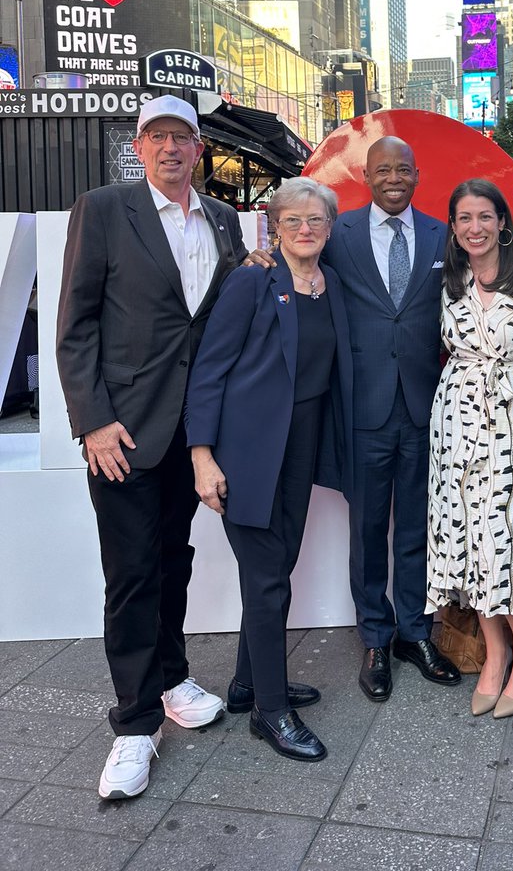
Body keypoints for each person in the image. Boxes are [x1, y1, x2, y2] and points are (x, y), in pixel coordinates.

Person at [56, 95, 249, 800]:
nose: (170, 147)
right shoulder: (104, 210)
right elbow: (75, 323)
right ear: (138, 147)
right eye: (157, 136)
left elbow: (219, 316)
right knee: (133, 573)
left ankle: (170, 678)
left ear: (199, 149)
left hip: (191, 432)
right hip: (125, 432)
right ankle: (135, 724)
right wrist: (93, 421)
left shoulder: (223, 219)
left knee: (173, 560)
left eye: (183, 137)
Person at [186, 178, 353, 762]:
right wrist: (202, 456)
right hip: (247, 452)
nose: (305, 229)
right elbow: (209, 369)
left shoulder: (330, 284)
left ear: (330, 228)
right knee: (266, 578)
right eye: (293, 220)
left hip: (301, 449)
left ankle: (247, 683)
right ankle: (271, 711)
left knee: (277, 567)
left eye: (316, 219)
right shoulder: (252, 280)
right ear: (274, 226)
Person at [323, 136, 461, 700]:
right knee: (367, 529)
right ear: (367, 176)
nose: (394, 179)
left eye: (403, 169)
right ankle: (375, 638)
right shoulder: (339, 234)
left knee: (416, 528)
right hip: (364, 409)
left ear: (417, 175)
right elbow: (299, 270)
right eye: (383, 170)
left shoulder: (441, 233)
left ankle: (414, 632)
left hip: (424, 407)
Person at [427, 179, 513, 720]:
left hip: (512, 422)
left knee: (508, 538)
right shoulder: (450, 278)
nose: (475, 227)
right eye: (464, 218)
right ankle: (494, 654)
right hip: (454, 425)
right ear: (454, 227)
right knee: (467, 537)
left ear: (502, 220)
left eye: (485, 216)